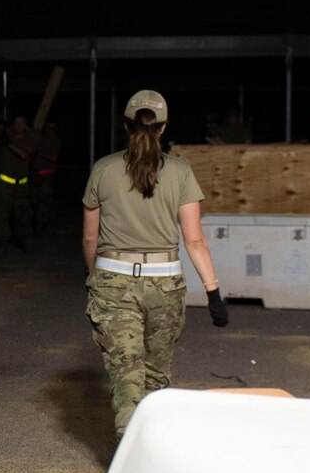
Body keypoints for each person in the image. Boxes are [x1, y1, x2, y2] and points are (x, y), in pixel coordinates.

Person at [81, 90, 227, 440]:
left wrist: (95, 275)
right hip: (164, 285)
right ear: (162, 129)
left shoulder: (103, 169)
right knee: (156, 380)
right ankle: (152, 456)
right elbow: (194, 240)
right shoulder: (180, 172)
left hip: (113, 279)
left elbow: (90, 237)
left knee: (126, 377)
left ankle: (128, 467)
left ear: (126, 126)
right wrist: (213, 294)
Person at [0, 115, 37, 253]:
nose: (19, 126)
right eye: (16, 123)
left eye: (22, 123)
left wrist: (8, 143)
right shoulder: (7, 135)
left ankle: (27, 243)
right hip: (4, 184)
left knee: (23, 215)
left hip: (21, 186)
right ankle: (2, 246)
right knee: (2, 215)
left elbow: (24, 154)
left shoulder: (30, 139)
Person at [30, 118, 63, 235]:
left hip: (47, 175)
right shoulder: (40, 139)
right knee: (35, 199)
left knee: (45, 200)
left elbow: (54, 157)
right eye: (48, 127)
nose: (50, 130)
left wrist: (40, 154)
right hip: (37, 174)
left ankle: (42, 224)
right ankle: (37, 223)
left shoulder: (55, 141)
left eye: (52, 128)